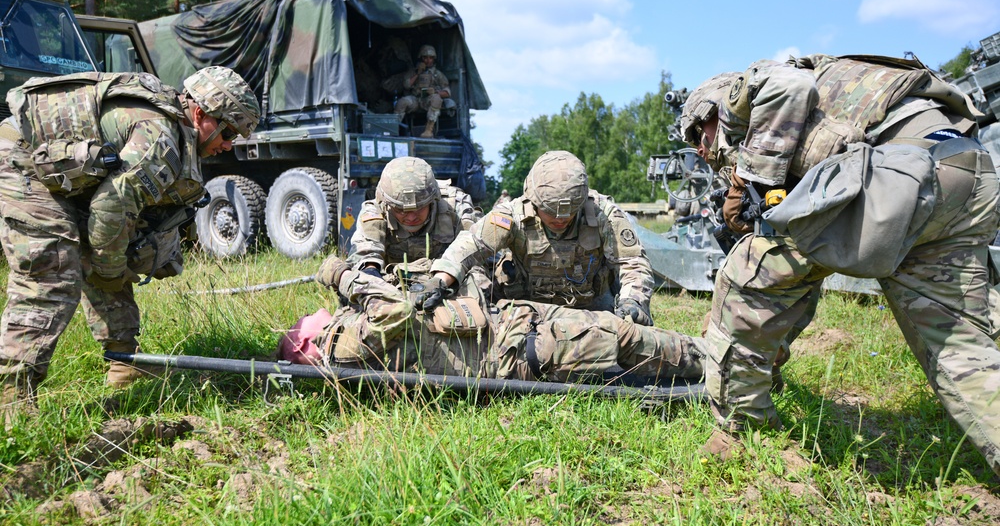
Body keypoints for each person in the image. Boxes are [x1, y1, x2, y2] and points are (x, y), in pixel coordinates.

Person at [683, 54, 1000, 475]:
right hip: (965, 167)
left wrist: (756, 182)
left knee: (745, 280)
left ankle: (745, 431)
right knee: (961, 351)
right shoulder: (820, 105)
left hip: (900, 173)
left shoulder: (736, 96)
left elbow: (788, 88)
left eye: (698, 139)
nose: (703, 152)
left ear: (708, 113)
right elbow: (804, 273)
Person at [0, 66, 261, 426]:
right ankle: (10, 396)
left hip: (65, 171)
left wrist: (114, 262)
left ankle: (124, 364)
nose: (229, 144)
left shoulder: (176, 131)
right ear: (200, 113)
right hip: (24, 161)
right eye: (229, 131)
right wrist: (108, 269)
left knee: (116, 248)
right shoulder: (162, 140)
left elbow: (116, 220)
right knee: (53, 272)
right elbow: (111, 207)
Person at [278, 256, 706, 386]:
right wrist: (346, 277)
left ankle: (703, 348)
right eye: (310, 323)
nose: (315, 316)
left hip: (513, 319)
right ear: (311, 343)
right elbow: (395, 312)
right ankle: (714, 360)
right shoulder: (340, 347)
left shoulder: (342, 329)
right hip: (518, 351)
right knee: (623, 339)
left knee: (609, 324)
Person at [425, 150, 655, 325]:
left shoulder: (604, 213)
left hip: (593, 307)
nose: (559, 219)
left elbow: (633, 262)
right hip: (527, 307)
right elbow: (470, 246)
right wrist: (439, 281)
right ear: (532, 199)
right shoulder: (511, 214)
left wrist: (632, 301)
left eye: (569, 212)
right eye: (550, 212)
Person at [348, 157, 478, 276]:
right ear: (387, 204)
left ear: (433, 200)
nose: (410, 218)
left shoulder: (455, 206)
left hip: (448, 280)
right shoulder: (376, 211)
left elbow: (476, 252)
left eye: (419, 208)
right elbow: (365, 252)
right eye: (400, 210)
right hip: (391, 284)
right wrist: (371, 271)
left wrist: (444, 280)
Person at [393, 45, 451, 138]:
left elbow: (447, 93)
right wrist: (418, 73)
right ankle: (393, 129)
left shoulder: (437, 74)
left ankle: (428, 130)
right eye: (425, 57)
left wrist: (435, 92)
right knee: (402, 102)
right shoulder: (413, 71)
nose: (428, 61)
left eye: (431, 58)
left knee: (436, 99)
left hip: (428, 101)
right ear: (421, 58)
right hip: (415, 100)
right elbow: (406, 85)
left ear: (434, 59)